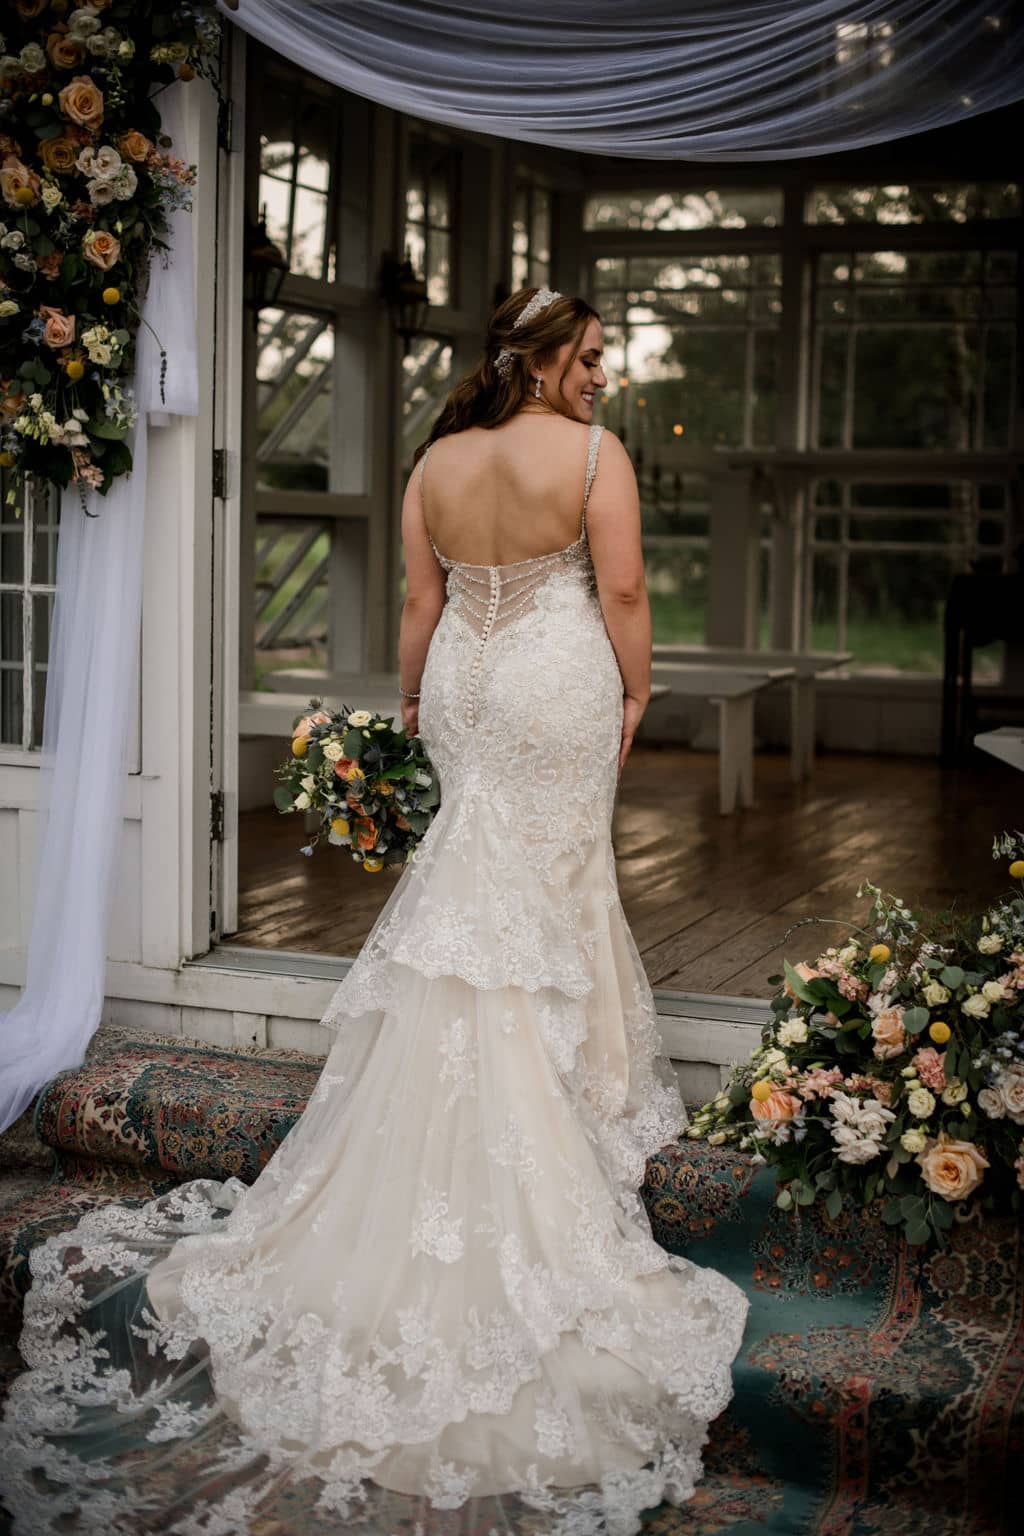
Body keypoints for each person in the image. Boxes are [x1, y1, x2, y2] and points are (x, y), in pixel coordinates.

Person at [0, 287, 748, 1535]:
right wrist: (637, 693)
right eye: (591, 356)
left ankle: (509, 1091)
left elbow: (416, 606)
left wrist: (412, 709)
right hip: (558, 675)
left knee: (476, 883)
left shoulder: (433, 463)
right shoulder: (591, 455)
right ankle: (565, 1101)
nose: (603, 375)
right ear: (545, 362)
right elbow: (620, 593)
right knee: (548, 881)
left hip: (465, 674)